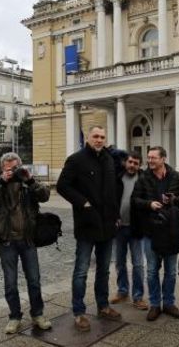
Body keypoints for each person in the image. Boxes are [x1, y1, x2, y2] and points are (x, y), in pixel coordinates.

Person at [56, 126, 122, 332]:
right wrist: (82, 202)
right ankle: (79, 311)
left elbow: (114, 190)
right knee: (81, 271)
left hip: (108, 225)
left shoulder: (109, 159)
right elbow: (62, 186)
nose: (99, 140)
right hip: (87, 224)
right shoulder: (76, 159)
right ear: (89, 138)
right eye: (96, 136)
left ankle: (103, 306)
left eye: (102, 137)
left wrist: (116, 214)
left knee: (103, 270)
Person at [0, 152, 53, 334]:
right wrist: (1, 183)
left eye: (15, 168)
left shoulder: (26, 181)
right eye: (8, 169)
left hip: (28, 240)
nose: (12, 172)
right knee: (11, 283)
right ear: (2, 169)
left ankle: (38, 314)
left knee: (34, 281)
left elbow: (45, 196)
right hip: (7, 242)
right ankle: (14, 316)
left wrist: (30, 180)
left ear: (20, 166)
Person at [131, 146, 179, 321]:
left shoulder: (176, 176)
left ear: (163, 159)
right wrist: (149, 204)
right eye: (148, 157)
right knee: (151, 271)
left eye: (153, 158)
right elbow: (135, 200)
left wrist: (174, 200)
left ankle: (169, 303)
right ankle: (155, 304)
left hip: (172, 230)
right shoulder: (143, 178)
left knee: (171, 271)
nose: (149, 160)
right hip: (151, 230)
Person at [111, 151, 149, 310]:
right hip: (118, 228)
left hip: (136, 228)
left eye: (135, 163)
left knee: (138, 264)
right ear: (125, 162)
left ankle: (138, 296)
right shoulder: (117, 177)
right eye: (130, 162)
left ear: (139, 165)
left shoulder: (144, 179)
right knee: (119, 262)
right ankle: (122, 290)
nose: (132, 165)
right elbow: (111, 199)